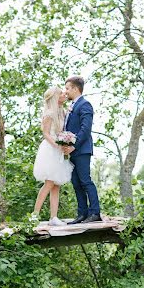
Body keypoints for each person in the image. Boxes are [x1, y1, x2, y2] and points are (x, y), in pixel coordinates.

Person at [62, 76, 101, 224]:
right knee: (76, 183)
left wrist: (73, 146)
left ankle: (95, 212)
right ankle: (82, 214)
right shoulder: (72, 106)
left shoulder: (85, 105)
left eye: (67, 88)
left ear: (75, 89)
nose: (65, 92)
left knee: (85, 181)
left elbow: (85, 129)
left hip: (81, 150)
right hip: (71, 151)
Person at [32, 86, 73, 226]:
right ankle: (34, 215)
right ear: (56, 96)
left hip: (58, 149)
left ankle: (53, 217)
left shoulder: (62, 112)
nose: (64, 94)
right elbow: (46, 133)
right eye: (61, 93)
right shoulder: (49, 113)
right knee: (49, 183)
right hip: (50, 149)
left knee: (56, 185)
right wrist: (57, 145)